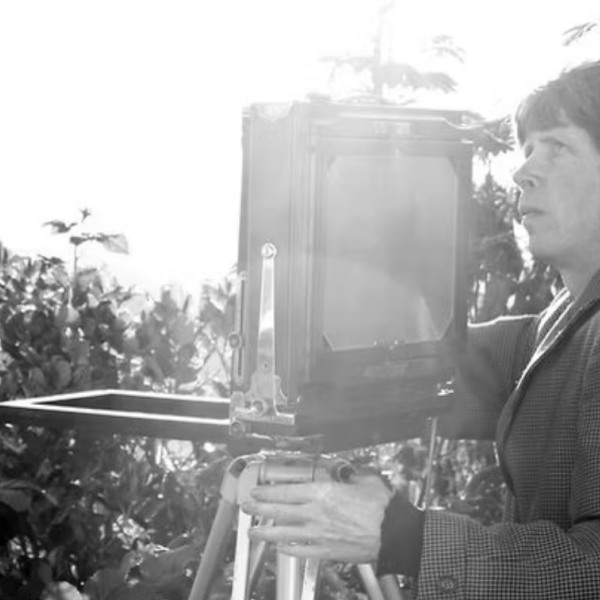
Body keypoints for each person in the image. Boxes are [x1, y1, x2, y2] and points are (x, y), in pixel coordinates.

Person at [241, 60, 600, 598]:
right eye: (526, 150)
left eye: (557, 147)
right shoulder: (567, 319)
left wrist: (405, 537)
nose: (524, 171)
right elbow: (449, 361)